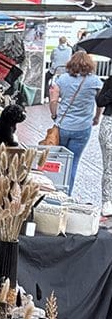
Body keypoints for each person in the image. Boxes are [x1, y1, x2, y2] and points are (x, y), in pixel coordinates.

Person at [49, 50, 103, 194]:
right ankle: (67, 194)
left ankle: (54, 190)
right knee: (73, 162)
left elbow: (53, 100)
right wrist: (97, 117)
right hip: (83, 128)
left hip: (63, 126)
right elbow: (100, 103)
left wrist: (54, 115)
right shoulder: (95, 81)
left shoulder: (62, 79)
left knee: (59, 160)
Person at [94, 75, 112, 216]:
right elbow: (100, 101)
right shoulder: (110, 81)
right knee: (109, 166)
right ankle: (107, 201)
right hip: (109, 124)